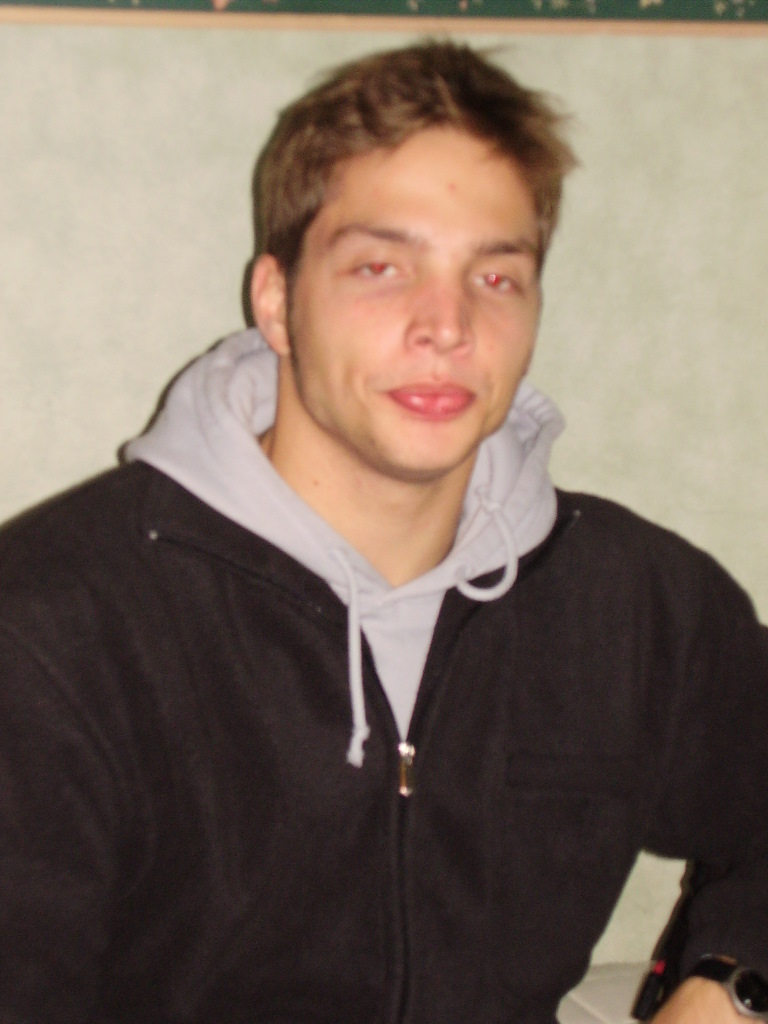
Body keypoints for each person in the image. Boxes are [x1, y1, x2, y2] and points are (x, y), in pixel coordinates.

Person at [0, 39, 766, 1024]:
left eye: (495, 278)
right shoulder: (53, 630)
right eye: (380, 267)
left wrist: (732, 982)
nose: (446, 324)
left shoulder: (630, 604)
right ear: (276, 302)